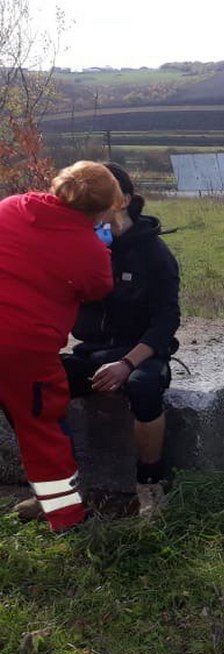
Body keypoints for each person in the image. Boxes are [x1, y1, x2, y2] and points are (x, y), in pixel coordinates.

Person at [13, 163, 181, 520]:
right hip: (91, 350)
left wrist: (127, 363)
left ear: (125, 201)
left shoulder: (153, 254)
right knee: (31, 390)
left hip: (138, 354)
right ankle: (61, 492)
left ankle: (149, 487)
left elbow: (167, 320)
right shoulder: (78, 243)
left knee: (145, 388)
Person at [0, 161, 120, 532]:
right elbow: (98, 289)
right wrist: (101, 245)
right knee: (41, 428)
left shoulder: (11, 206)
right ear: (102, 209)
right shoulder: (90, 251)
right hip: (21, 349)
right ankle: (67, 517)